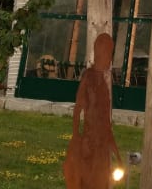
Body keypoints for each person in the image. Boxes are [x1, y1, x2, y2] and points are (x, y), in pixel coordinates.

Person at [63, 33, 122, 189]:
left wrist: (116, 153)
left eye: (110, 54)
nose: (109, 59)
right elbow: (78, 109)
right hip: (89, 145)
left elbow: (105, 122)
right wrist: (77, 138)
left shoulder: (103, 82)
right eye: (107, 54)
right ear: (99, 53)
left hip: (101, 148)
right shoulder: (88, 78)